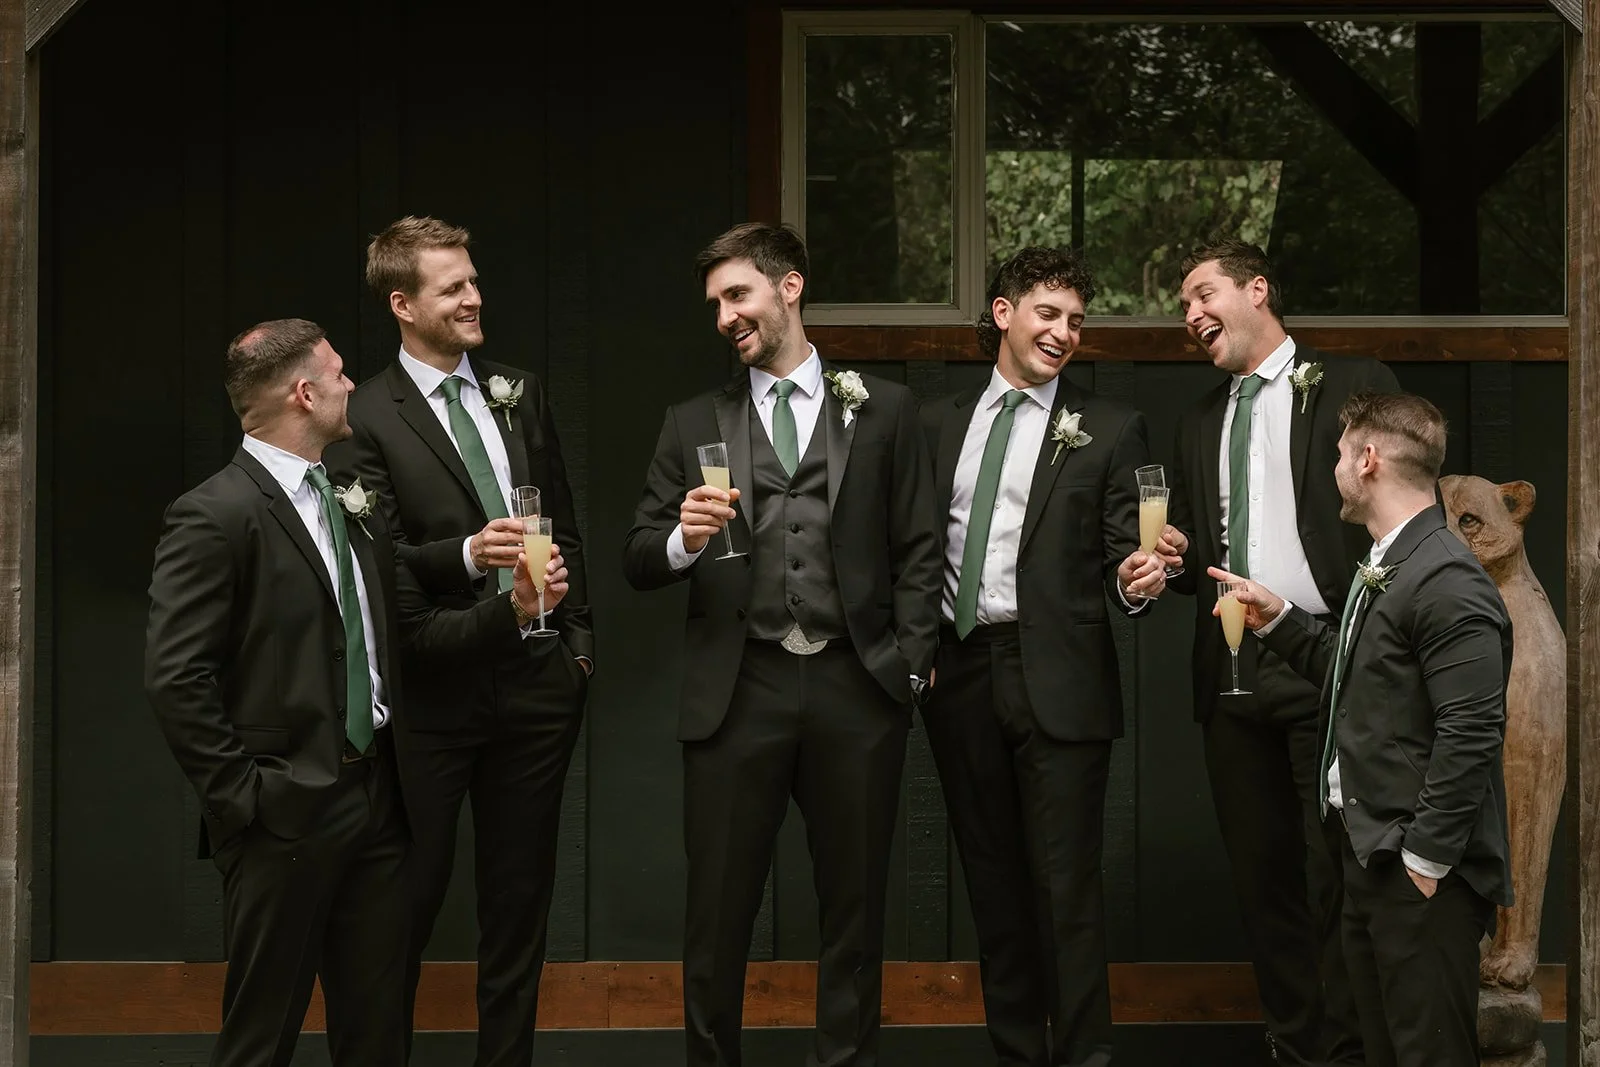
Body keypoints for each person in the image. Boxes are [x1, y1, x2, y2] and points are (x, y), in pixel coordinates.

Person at [146, 319, 567, 1067]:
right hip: (283, 812)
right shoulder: (215, 512)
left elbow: (401, 610)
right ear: (304, 394)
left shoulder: (350, 500)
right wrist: (245, 799)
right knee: (261, 1036)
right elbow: (176, 677)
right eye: (338, 373)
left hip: (380, 804)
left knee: (376, 1033)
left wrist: (507, 603)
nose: (351, 385)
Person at [622, 222, 941, 1067]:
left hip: (856, 684)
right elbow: (638, 555)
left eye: (738, 295)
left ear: (789, 287)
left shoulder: (885, 408)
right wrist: (684, 539)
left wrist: (907, 667)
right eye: (715, 304)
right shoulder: (693, 419)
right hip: (739, 689)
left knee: (855, 910)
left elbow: (919, 546)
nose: (725, 317)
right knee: (717, 912)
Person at [324, 216, 593, 1066]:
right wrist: (473, 552)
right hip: (433, 696)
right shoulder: (363, 416)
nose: (475, 297)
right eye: (454, 287)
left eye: (474, 280)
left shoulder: (520, 390)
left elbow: (562, 520)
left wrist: (577, 645)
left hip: (538, 686)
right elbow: (380, 563)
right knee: (400, 910)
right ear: (403, 304)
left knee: (519, 911)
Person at [918, 245, 1170, 1067]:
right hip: (959, 673)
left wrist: (1137, 578)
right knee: (992, 889)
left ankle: (1086, 1056)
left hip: (1060, 681)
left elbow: (1127, 555)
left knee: (1066, 891)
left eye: (1076, 321)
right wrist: (916, 654)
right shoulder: (937, 421)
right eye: (1049, 313)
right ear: (1004, 313)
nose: (1064, 332)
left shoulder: (1112, 427)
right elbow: (911, 549)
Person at [1210, 390, 1512, 1067]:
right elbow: (1358, 681)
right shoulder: (1389, 561)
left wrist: (1423, 863)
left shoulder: (1447, 576)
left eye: (1341, 453)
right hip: (1369, 858)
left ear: (1368, 459)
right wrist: (1278, 618)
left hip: (1418, 874)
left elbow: (1472, 731)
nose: (1335, 468)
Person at [1166, 239, 1398, 1064]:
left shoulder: (1350, 381)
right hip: (1232, 663)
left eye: (1203, 294)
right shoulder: (1200, 418)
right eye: (1183, 306)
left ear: (1258, 289)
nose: (1191, 314)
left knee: (1336, 872)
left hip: (1327, 653)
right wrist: (1166, 559)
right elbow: (1197, 551)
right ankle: (1294, 1045)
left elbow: (1401, 511)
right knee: (1262, 879)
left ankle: (1349, 1050)